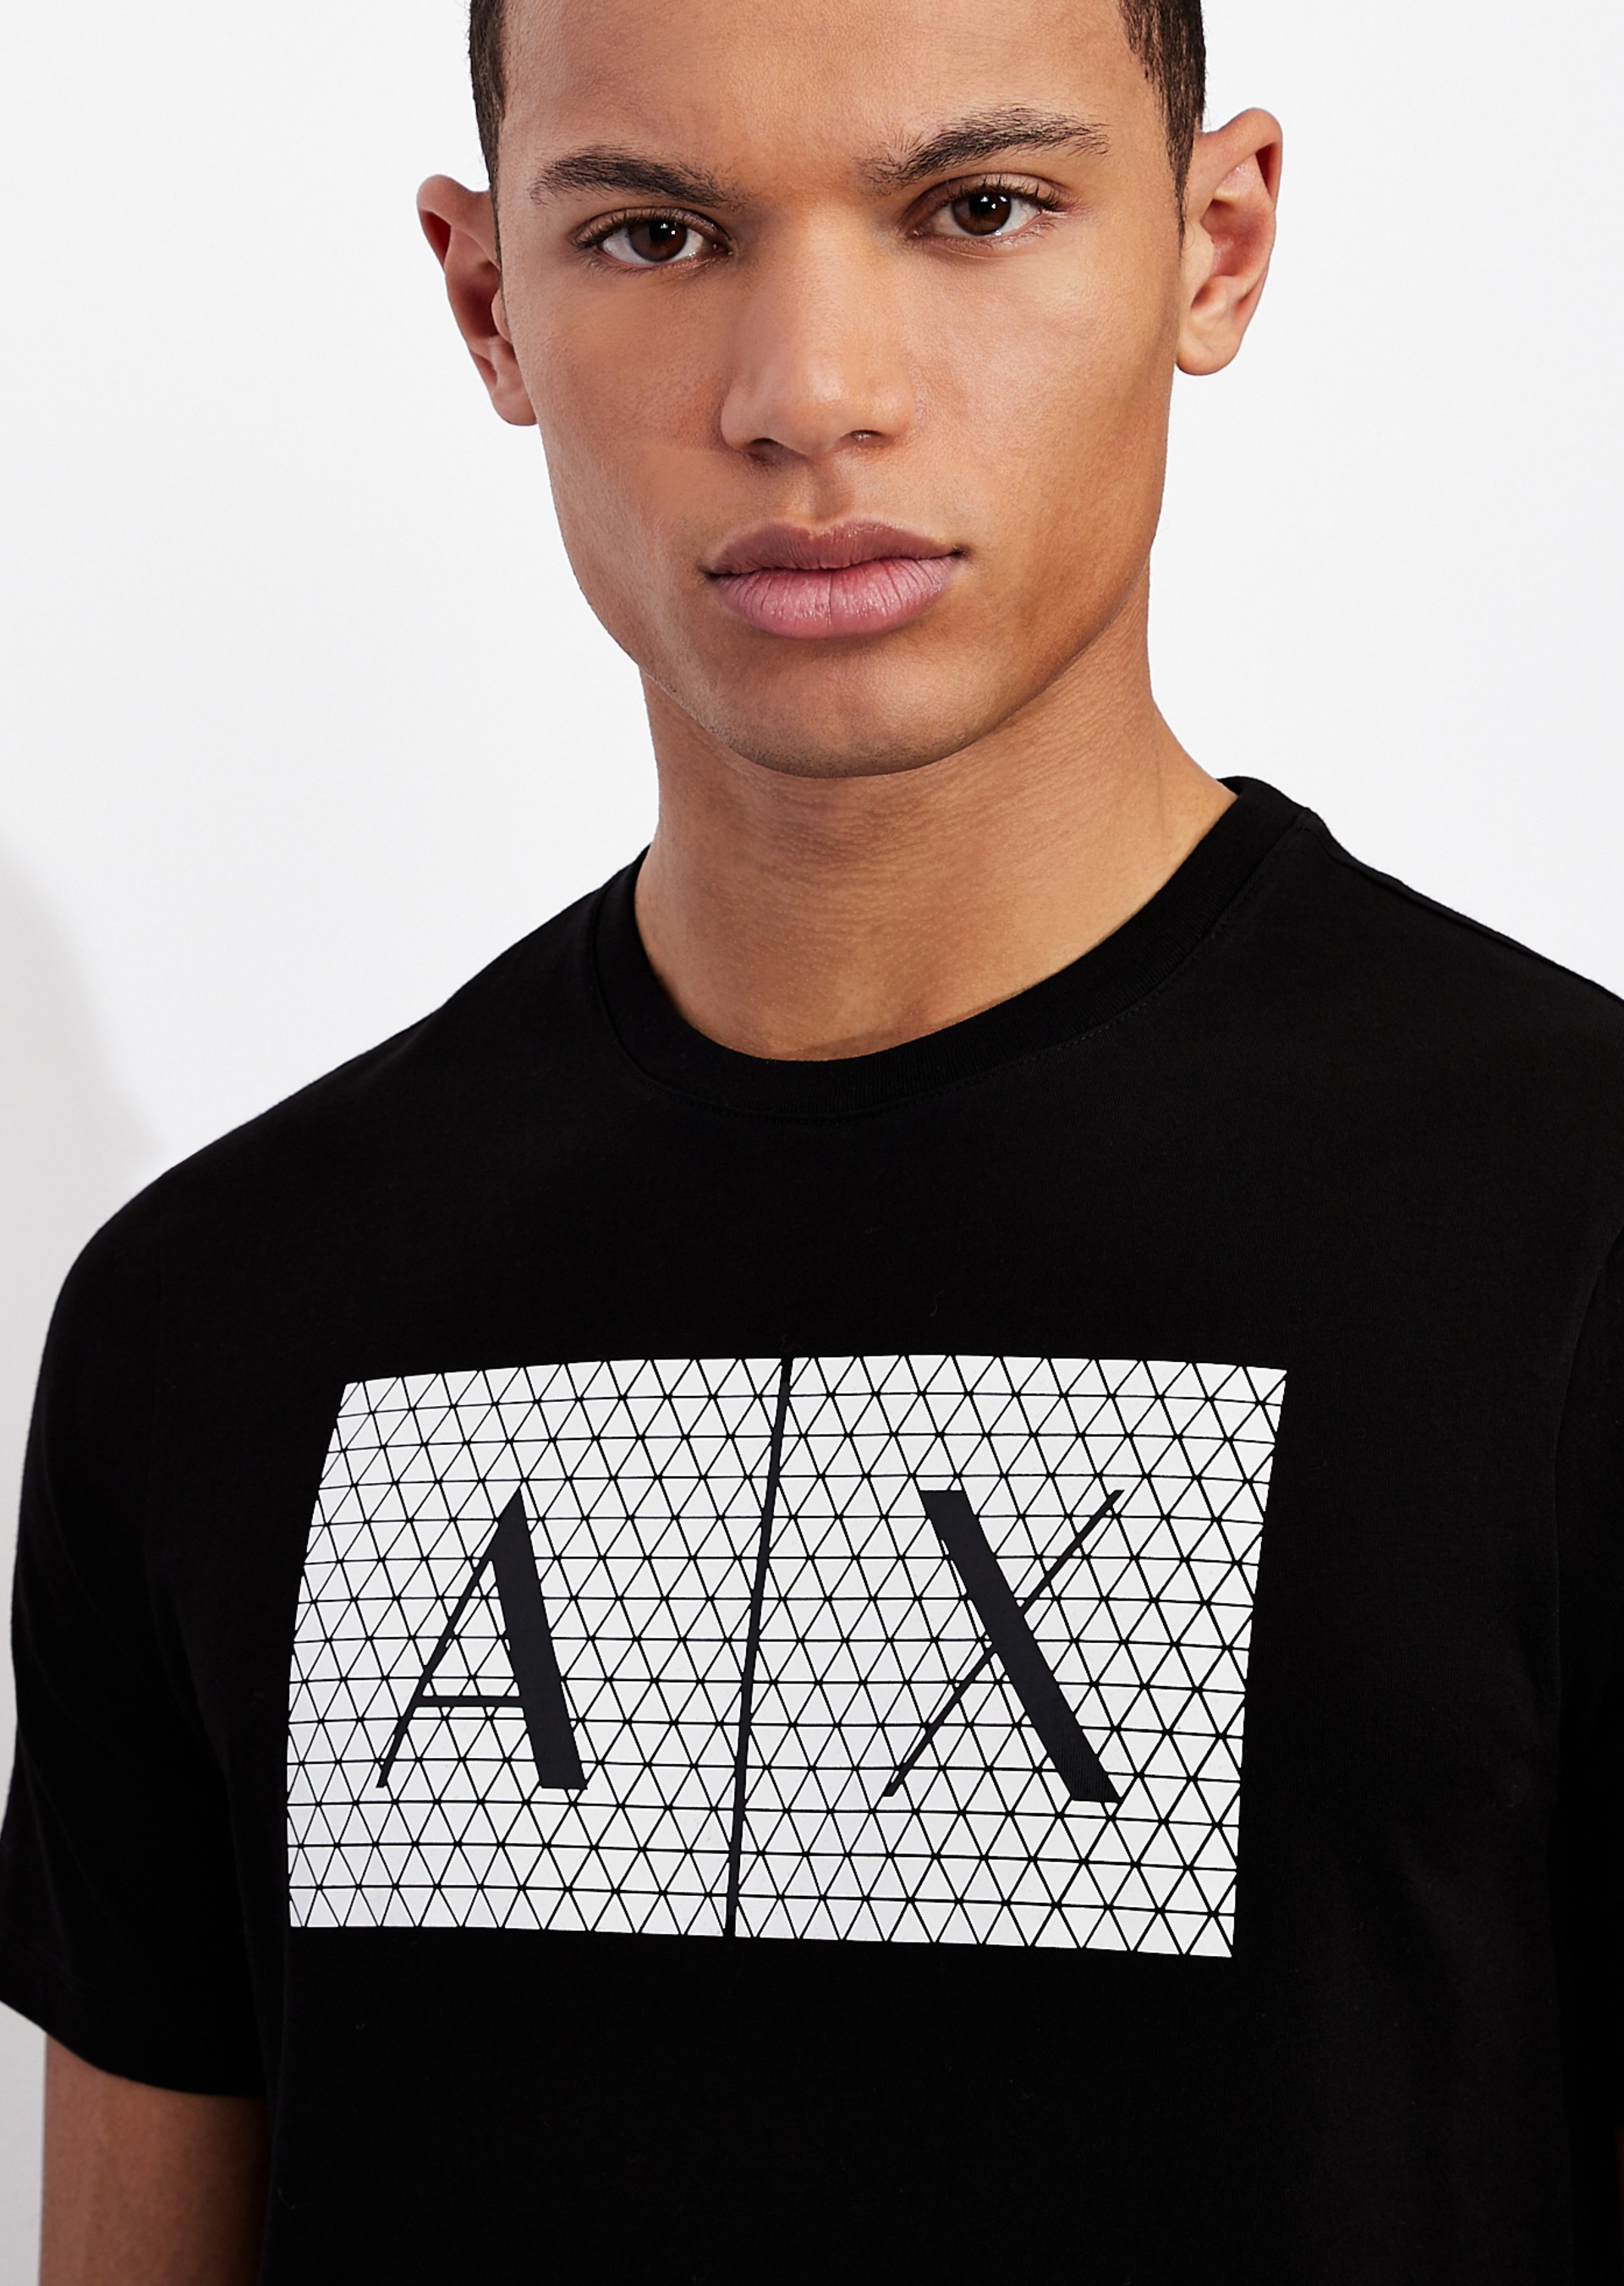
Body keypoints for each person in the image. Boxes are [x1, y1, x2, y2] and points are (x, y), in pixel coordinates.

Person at [4, 0, 1622, 2277]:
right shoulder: (218, 1314)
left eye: (979, 208)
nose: (809, 394)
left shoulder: (1569, 1226)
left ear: (1219, 242)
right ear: (487, 299)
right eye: (657, 235)